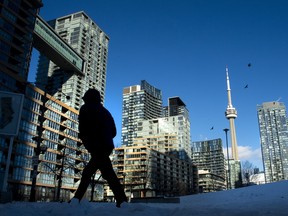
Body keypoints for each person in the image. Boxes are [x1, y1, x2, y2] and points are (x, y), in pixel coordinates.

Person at [70, 88, 127, 207]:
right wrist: (105, 136)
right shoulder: (106, 112)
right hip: (106, 146)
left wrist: (88, 140)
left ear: (88, 99)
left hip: (96, 146)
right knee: (106, 173)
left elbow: (83, 129)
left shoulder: (85, 108)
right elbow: (114, 132)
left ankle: (76, 200)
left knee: (91, 173)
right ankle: (122, 201)